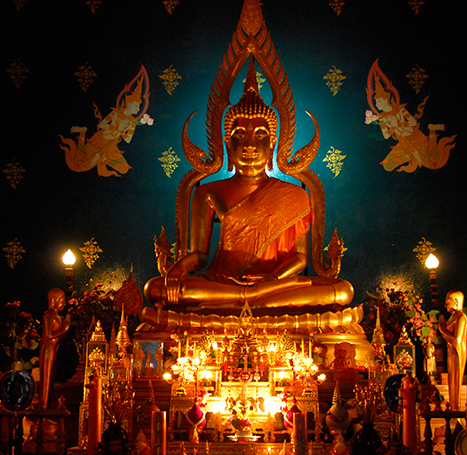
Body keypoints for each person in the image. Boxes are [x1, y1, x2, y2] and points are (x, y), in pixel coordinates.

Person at [144, 62, 353, 314]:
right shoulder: (207, 192)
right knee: (155, 288)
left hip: (275, 285)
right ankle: (245, 297)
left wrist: (271, 280)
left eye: (261, 134)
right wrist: (178, 269)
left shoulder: (295, 194)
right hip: (222, 282)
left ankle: (243, 299)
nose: (250, 144)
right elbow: (200, 255)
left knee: (342, 290)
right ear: (227, 144)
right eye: (240, 134)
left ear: (273, 143)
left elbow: (300, 258)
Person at [39, 288, 71, 409]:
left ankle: (46, 409)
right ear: (54, 300)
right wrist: (65, 326)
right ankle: (43, 409)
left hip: (54, 349)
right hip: (48, 349)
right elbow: (49, 335)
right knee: (46, 380)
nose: (64, 303)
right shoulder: (49, 315)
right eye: (62, 300)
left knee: (51, 380)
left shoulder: (56, 315)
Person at [438, 290, 467, 411]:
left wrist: (442, 329)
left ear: (456, 301)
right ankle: (453, 410)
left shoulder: (461, 317)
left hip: (458, 351)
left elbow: (458, 339)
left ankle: (456, 413)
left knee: (456, 382)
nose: (445, 305)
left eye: (447, 301)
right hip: (451, 351)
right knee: (451, 382)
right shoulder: (453, 317)